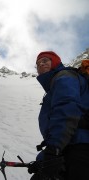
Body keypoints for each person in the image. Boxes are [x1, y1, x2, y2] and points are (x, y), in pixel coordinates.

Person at [28, 51, 89, 180]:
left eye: (45, 60)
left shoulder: (64, 77)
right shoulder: (55, 84)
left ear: (55, 62)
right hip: (70, 149)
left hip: (80, 149)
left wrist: (53, 149)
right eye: (38, 64)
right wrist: (42, 160)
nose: (41, 64)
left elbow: (66, 110)